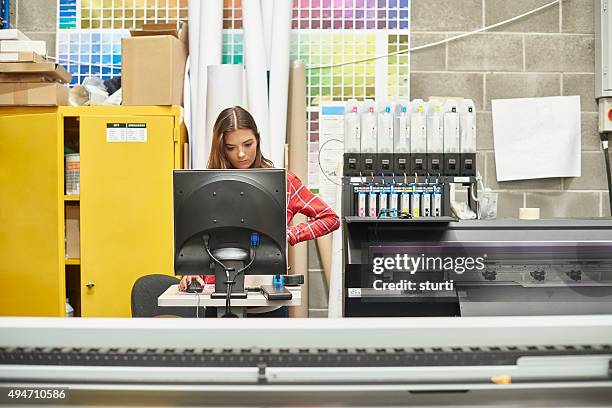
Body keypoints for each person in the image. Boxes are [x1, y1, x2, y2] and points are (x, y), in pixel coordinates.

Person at [178, 106, 340, 317]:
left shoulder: (283, 182)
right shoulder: (205, 187)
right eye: (231, 147)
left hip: (268, 304)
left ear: (258, 140)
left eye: (248, 144)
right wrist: (192, 275)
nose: (241, 153)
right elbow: (199, 238)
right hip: (217, 301)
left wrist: (288, 235)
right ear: (220, 148)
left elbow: (330, 218)